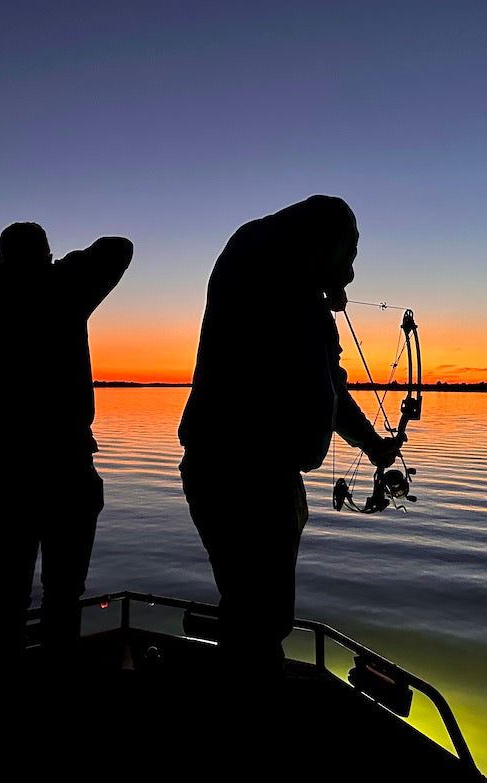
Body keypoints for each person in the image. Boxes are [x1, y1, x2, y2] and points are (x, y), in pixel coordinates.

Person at [178, 195, 400, 682]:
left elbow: (329, 387)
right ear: (319, 245)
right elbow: (302, 360)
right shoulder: (263, 272)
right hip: (238, 472)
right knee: (258, 616)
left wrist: (370, 443)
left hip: (268, 476)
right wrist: (321, 298)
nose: (350, 276)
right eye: (346, 259)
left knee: (258, 613)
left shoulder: (301, 300)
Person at [0, 221, 132, 671]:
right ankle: (56, 674)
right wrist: (55, 270)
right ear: (46, 254)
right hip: (65, 467)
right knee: (63, 589)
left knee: (10, 583)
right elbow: (118, 248)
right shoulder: (65, 291)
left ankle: (4, 675)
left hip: (8, 471)